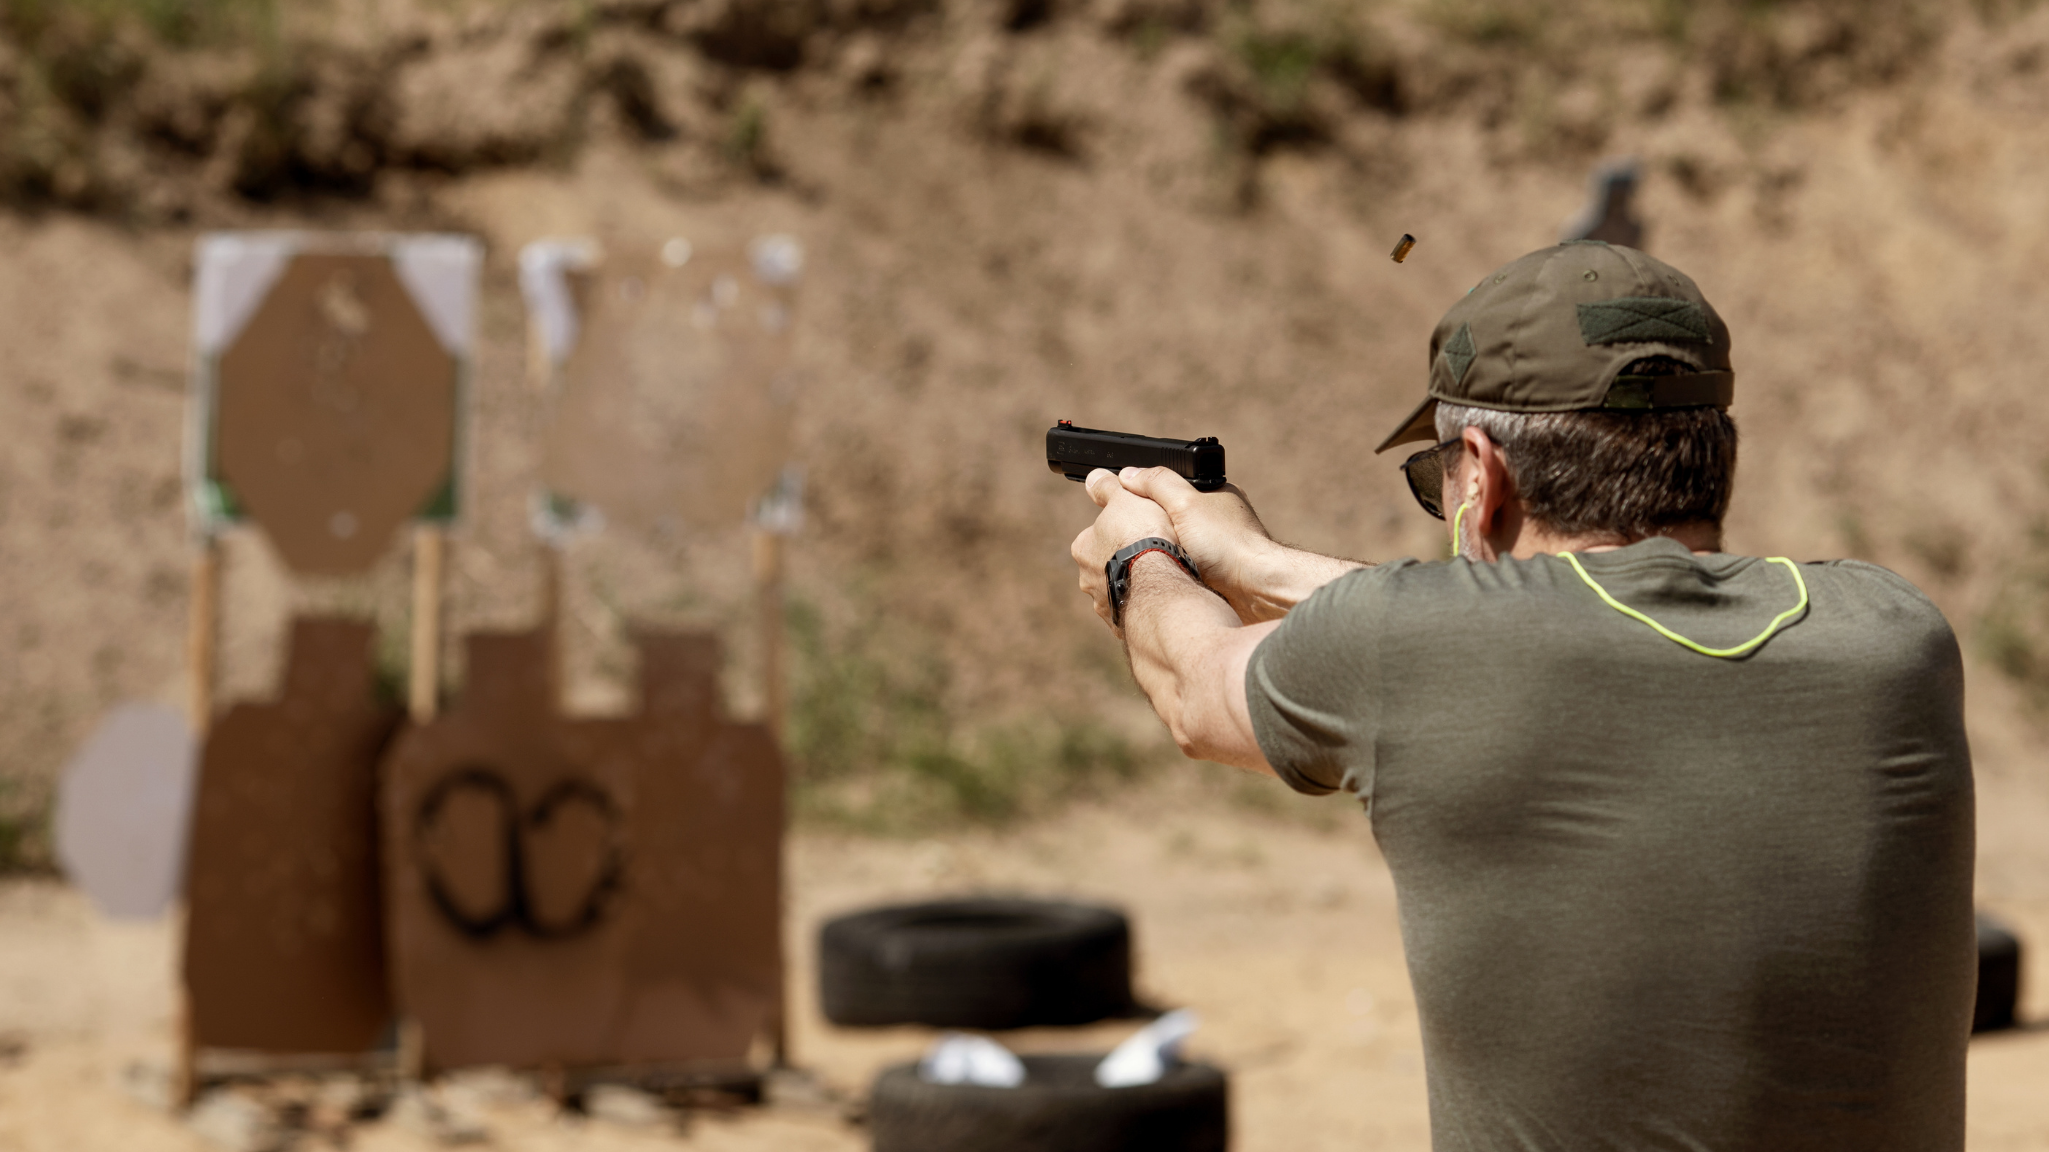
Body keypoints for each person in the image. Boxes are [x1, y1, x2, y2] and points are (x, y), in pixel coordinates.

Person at [1069, 242, 1975, 1150]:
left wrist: (1137, 555)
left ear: (1484, 472)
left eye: (1440, 483)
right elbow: (1513, 628)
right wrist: (1259, 564)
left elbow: (1196, 687)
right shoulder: (1891, 634)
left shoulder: (1408, 644)